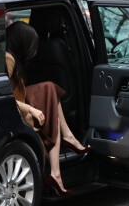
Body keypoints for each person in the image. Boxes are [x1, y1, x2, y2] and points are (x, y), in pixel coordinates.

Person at [6, 21, 92, 196]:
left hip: (20, 102)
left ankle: (62, 155)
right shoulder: (9, 59)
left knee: (50, 90)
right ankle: (57, 171)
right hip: (16, 109)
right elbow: (4, 99)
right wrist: (32, 110)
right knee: (51, 98)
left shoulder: (11, 56)